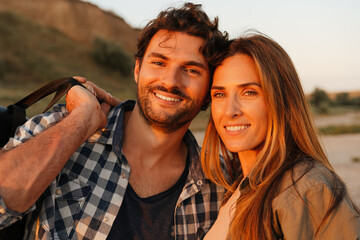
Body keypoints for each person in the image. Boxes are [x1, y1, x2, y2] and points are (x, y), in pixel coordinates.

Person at [0, 2, 228, 239]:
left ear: (210, 88)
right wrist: (81, 120)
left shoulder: (219, 184)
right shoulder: (63, 126)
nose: (170, 81)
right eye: (159, 63)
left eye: (191, 70)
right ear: (137, 69)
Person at [201, 32, 360, 239]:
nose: (230, 110)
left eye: (249, 92)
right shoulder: (235, 187)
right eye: (219, 94)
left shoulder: (306, 187)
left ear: (281, 100)